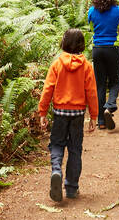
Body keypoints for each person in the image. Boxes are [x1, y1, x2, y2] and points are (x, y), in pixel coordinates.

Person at [37, 28, 99, 202]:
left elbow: (47, 89)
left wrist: (42, 112)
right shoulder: (86, 66)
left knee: (56, 143)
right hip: (78, 114)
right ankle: (71, 187)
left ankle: (56, 170)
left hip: (60, 113)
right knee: (75, 149)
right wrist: (93, 116)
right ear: (81, 45)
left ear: (64, 43)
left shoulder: (57, 64)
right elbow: (92, 92)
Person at [86, 0, 119, 130]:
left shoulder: (91, 11)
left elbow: (91, 28)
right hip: (112, 48)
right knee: (115, 81)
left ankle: (101, 121)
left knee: (100, 84)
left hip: (97, 49)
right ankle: (110, 106)